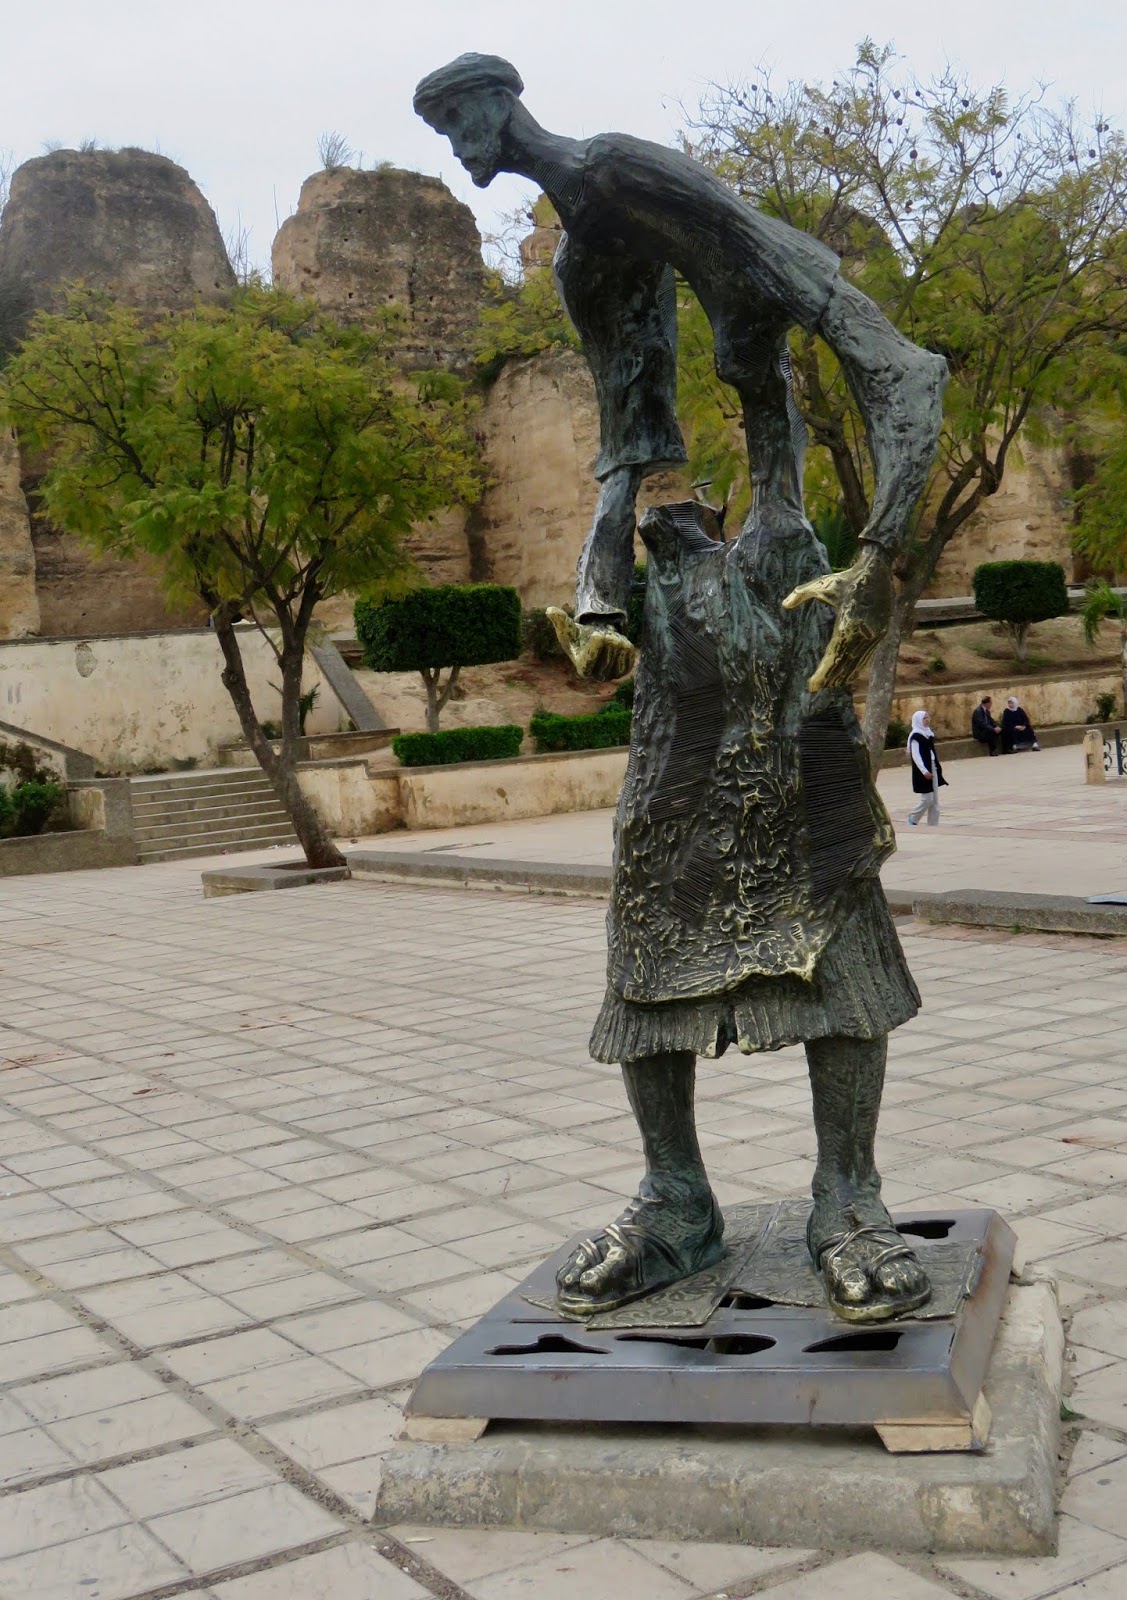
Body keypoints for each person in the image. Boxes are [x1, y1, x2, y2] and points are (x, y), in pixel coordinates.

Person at [416, 54, 946, 1325]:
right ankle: (674, 1198)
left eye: (462, 120)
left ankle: (846, 1196)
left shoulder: (625, 174)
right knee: (653, 886)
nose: (461, 147)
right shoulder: (578, 262)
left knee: (827, 886)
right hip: (680, 602)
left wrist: (876, 563)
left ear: (503, 102)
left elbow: (897, 366)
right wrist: (599, 595)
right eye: (441, 130)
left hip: (788, 573)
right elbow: (629, 449)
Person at [906, 710, 946, 826]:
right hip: (922, 770)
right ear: (918, 720)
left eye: (928, 717)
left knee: (935, 800)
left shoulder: (928, 733)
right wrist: (924, 771)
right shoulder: (916, 736)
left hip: (932, 766)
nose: (927, 720)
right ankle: (913, 817)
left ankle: (933, 825)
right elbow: (916, 756)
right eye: (924, 718)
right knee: (928, 798)